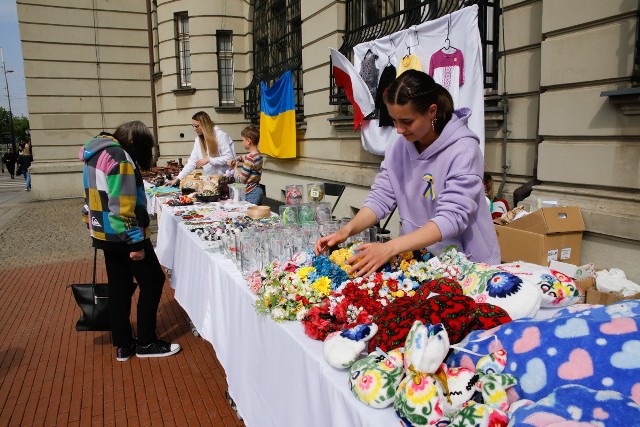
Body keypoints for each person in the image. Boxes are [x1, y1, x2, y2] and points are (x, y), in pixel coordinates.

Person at [315, 70, 500, 276]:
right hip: (420, 261)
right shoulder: (399, 146)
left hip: (469, 264)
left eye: (407, 121)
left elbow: (451, 218)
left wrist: (390, 248)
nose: (399, 130)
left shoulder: (463, 150)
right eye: (394, 121)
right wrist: (346, 231)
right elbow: (381, 197)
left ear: (431, 111)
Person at [80, 121, 181, 361]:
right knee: (153, 282)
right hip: (125, 234)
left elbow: (93, 196)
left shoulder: (96, 153)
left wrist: (92, 224)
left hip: (104, 233)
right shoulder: (120, 157)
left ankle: (124, 344)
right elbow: (122, 205)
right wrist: (135, 243)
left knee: (120, 287)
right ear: (135, 142)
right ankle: (146, 342)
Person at [167, 111, 235, 186]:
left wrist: (209, 160)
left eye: (196, 126)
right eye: (193, 126)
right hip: (211, 181)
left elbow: (229, 158)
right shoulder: (198, 140)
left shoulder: (220, 135)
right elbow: (192, 162)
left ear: (204, 125)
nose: (194, 129)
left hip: (225, 180)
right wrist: (178, 178)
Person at [227, 125, 263, 204]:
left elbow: (241, 181)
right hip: (257, 189)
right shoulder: (258, 155)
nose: (242, 143)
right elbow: (243, 157)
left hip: (250, 192)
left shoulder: (249, 159)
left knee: (248, 214)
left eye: (243, 140)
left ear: (248, 141)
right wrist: (235, 159)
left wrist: (235, 170)